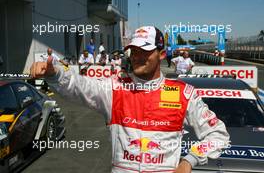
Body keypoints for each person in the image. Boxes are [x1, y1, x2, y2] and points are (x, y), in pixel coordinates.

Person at [30, 26, 229, 173]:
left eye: (145, 51)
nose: (137, 56)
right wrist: (55, 74)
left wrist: (189, 161)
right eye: (134, 51)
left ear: (161, 54)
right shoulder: (115, 87)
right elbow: (79, 87)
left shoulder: (184, 93)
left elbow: (218, 136)